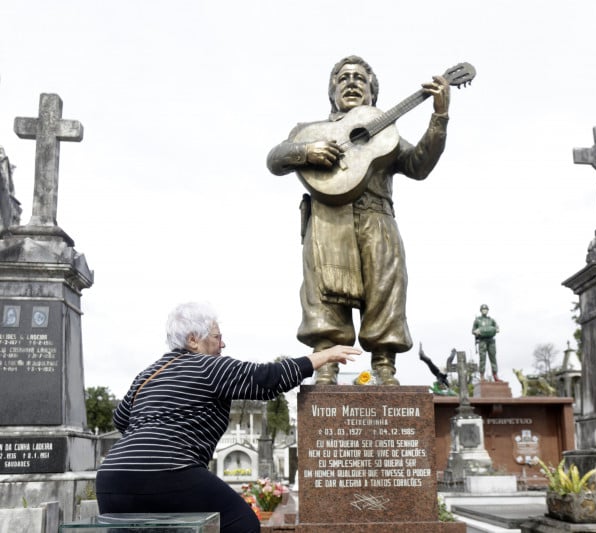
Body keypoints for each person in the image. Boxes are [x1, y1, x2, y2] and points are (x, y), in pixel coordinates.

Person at [95, 302, 361, 533]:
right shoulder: (208, 366)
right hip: (169, 471)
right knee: (241, 523)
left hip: (112, 479)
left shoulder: (147, 375)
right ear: (193, 340)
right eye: (217, 336)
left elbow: (122, 419)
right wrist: (323, 356)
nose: (222, 344)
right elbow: (268, 379)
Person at [267, 55, 450, 385]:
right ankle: (326, 366)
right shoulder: (309, 131)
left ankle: (384, 366)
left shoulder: (385, 135)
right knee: (322, 297)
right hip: (326, 221)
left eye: (360, 79)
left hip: (377, 219)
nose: (351, 83)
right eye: (344, 78)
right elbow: (275, 159)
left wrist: (439, 117)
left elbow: (419, 165)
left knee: (386, 288)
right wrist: (306, 152)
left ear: (372, 92)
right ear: (332, 91)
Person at [472, 304, 499, 381]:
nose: (484, 311)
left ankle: (495, 375)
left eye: (486, 309)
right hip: (482, 341)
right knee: (482, 358)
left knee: (493, 358)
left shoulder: (491, 320)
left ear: (488, 310)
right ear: (481, 310)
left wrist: (496, 329)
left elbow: (497, 328)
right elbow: (473, 330)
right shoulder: (477, 320)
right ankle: (482, 375)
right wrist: (476, 332)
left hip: (491, 340)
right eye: (483, 309)